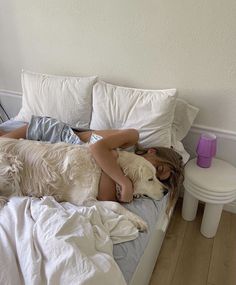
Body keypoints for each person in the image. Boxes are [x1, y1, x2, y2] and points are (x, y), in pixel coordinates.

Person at [0, 116, 184, 203]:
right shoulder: (132, 138)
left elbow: (106, 197)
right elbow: (97, 147)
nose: (152, 172)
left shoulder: (125, 168)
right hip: (55, 135)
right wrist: (125, 183)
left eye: (158, 178)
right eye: (158, 169)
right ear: (152, 152)